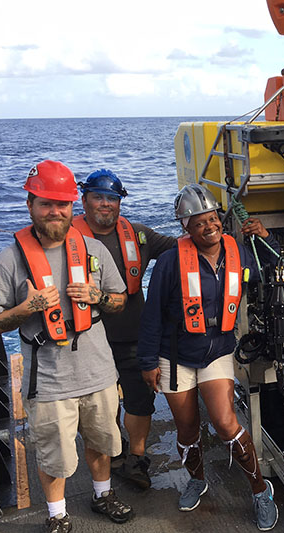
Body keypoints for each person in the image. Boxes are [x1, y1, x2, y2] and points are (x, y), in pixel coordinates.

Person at [0, 160, 134, 533]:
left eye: (63, 204)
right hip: (48, 379)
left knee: (103, 440)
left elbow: (119, 301)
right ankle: (56, 515)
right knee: (54, 455)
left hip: (98, 371)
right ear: (30, 204)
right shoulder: (9, 260)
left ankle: (102, 495)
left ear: (74, 207)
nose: (56, 212)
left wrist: (97, 296)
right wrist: (25, 309)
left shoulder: (93, 249)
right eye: (46, 203)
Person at [137, 183, 280, 530]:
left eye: (213, 219)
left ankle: (260, 491)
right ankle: (197, 480)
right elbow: (152, 314)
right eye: (198, 222)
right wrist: (147, 363)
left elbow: (271, 265)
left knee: (226, 422)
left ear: (220, 219)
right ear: (185, 227)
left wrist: (265, 237)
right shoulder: (170, 262)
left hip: (216, 351)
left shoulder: (238, 252)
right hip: (174, 356)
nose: (209, 226)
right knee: (187, 430)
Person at [74, 169, 176, 490]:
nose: (105, 204)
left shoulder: (139, 235)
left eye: (112, 198)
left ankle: (137, 458)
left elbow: (181, 248)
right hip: (89, 342)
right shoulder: (68, 240)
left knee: (140, 401)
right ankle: (111, 452)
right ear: (84, 199)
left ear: (120, 203)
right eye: (98, 197)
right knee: (101, 406)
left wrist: (220, 232)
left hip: (134, 338)